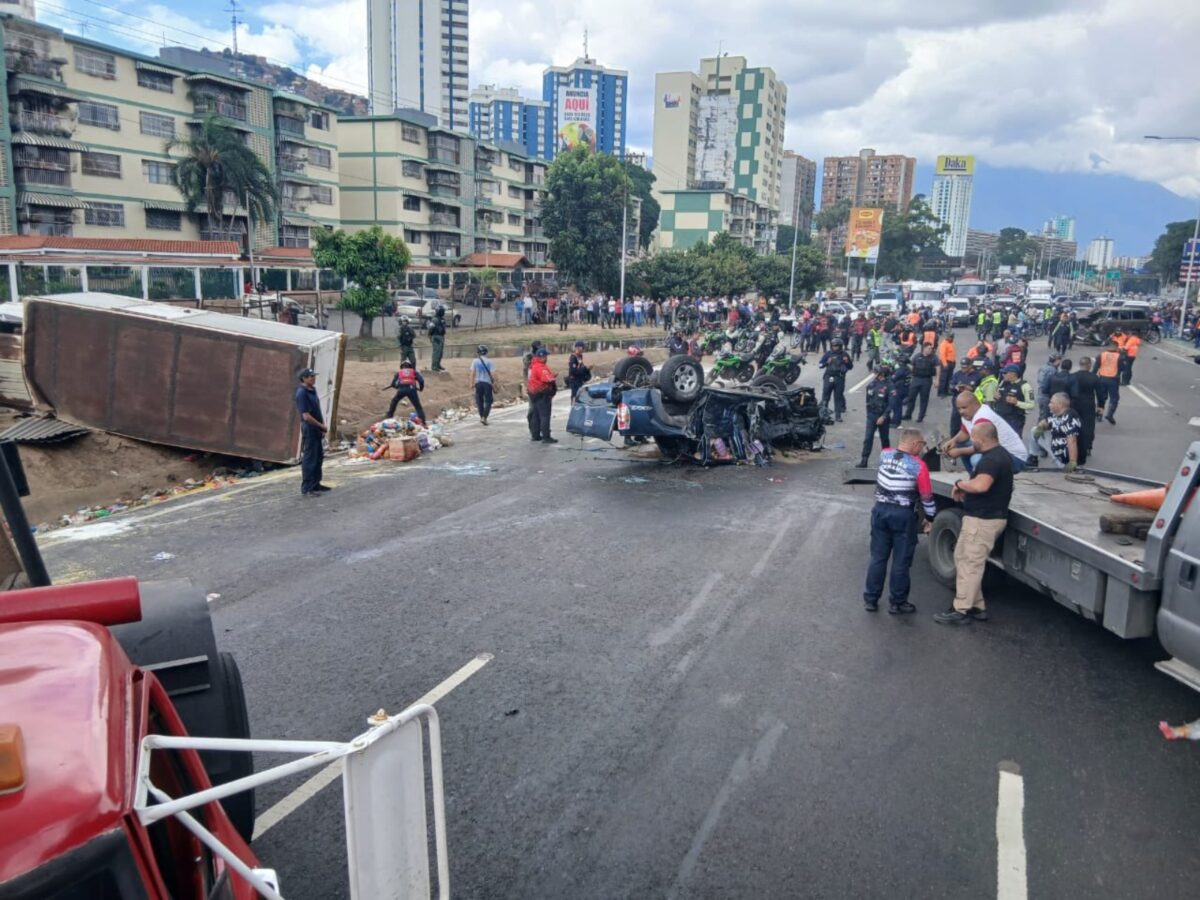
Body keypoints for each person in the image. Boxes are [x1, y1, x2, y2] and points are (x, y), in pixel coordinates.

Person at [934, 421, 1014, 625]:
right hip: (982, 517)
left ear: (981, 439)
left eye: (973, 438)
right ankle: (977, 606)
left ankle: (961, 610)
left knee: (970, 564)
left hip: (983, 520)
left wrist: (960, 484)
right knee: (962, 558)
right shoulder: (998, 454)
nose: (972, 441)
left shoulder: (991, 460)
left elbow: (981, 485)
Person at [862, 428, 936, 614]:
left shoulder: (884, 454)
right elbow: (926, 496)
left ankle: (871, 599)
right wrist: (930, 518)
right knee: (901, 561)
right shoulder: (918, 465)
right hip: (902, 514)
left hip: (880, 510)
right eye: (921, 444)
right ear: (913, 443)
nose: (922, 448)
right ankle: (898, 602)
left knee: (878, 558)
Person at [941, 391, 1028, 475]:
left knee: (977, 459)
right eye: (959, 408)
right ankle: (975, 479)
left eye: (964, 407)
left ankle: (984, 483)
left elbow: (982, 446)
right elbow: (965, 433)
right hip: (999, 453)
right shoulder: (968, 415)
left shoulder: (982, 417)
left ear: (975, 404)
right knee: (961, 444)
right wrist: (953, 441)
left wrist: (959, 452)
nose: (961, 412)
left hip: (1015, 458)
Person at [295, 367, 329, 496]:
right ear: (304, 378)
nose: (313, 378)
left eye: (314, 376)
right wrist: (321, 426)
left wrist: (321, 426)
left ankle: (316, 484)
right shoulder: (301, 393)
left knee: (318, 456)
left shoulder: (312, 390)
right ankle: (307, 488)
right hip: (309, 428)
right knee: (310, 458)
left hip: (316, 428)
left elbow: (317, 410)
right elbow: (306, 416)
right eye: (311, 377)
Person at [1025, 392, 1080, 471]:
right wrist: (1040, 426)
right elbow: (1047, 421)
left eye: (1051, 403)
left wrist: (1072, 461)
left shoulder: (1069, 417)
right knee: (1034, 430)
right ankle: (1034, 457)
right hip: (1055, 446)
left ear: (1060, 405)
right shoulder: (1057, 414)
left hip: (1064, 454)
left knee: (1064, 471)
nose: (1049, 405)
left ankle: (1064, 464)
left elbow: (1072, 440)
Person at [859, 363, 893, 468]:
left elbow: (892, 404)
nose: (874, 374)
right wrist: (869, 415)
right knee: (868, 438)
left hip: (883, 416)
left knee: (884, 439)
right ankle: (864, 460)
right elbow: (867, 401)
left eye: (876, 372)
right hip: (872, 416)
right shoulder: (871, 385)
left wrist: (883, 416)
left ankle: (886, 461)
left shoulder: (890, 386)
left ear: (881, 374)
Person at [1068, 357, 1101, 465]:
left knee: (1073, 424)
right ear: (1089, 365)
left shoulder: (1072, 376)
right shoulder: (1094, 377)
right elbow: (1100, 393)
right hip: (1088, 403)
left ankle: (1073, 444)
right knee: (1088, 425)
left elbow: (1067, 390)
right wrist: (1101, 405)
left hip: (1074, 403)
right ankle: (1087, 447)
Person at [993, 364, 1035, 438]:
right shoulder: (1003, 383)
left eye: (1005, 373)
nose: (1003, 375)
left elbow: (1031, 405)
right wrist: (995, 396)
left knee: (1013, 441)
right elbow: (996, 397)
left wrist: (1017, 403)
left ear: (1013, 374)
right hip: (1000, 417)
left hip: (1014, 419)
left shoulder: (1025, 386)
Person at [818, 338, 854, 423]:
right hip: (828, 377)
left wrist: (847, 361)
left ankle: (838, 416)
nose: (835, 347)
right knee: (825, 397)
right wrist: (827, 362)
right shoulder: (828, 354)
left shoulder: (844, 354)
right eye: (833, 346)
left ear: (840, 346)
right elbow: (820, 365)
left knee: (838, 397)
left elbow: (850, 367)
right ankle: (824, 414)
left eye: (837, 346)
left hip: (839, 378)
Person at [527, 347, 558, 443]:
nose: (547, 358)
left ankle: (535, 435)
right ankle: (546, 436)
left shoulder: (533, 366)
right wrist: (553, 377)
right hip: (542, 394)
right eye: (545, 356)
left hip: (533, 393)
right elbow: (547, 379)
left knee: (535, 415)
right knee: (544, 416)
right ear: (542, 357)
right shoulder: (541, 367)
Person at [903, 343, 938, 422]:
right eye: (928, 348)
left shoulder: (933, 358)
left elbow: (938, 368)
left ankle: (920, 417)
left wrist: (937, 380)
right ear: (924, 348)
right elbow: (912, 365)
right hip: (916, 378)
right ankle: (908, 414)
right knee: (911, 397)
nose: (930, 350)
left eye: (931, 349)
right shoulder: (917, 356)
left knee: (924, 399)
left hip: (926, 380)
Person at [385, 359, 426, 423]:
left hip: (401, 389)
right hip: (412, 389)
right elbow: (421, 380)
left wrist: (397, 387)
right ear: (410, 366)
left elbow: (393, 384)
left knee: (394, 401)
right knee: (418, 406)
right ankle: (423, 421)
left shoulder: (399, 373)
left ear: (401, 366)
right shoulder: (414, 372)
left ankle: (389, 415)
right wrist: (421, 388)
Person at [1095, 336, 1122, 425]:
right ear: (1116, 347)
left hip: (1102, 378)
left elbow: (1095, 368)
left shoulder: (1101, 355)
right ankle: (1110, 414)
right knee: (1114, 398)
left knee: (1102, 397)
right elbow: (1123, 368)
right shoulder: (1119, 356)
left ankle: (1099, 415)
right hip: (1113, 380)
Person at [470, 345, 496, 425]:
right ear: (486, 352)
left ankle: (482, 417)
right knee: (488, 401)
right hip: (487, 384)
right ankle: (484, 417)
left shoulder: (475, 361)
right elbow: (493, 374)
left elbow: (472, 373)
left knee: (479, 401)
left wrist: (471, 383)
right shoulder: (490, 362)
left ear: (478, 352)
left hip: (478, 383)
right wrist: (495, 382)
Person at [1035, 353, 1060, 419]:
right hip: (1046, 396)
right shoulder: (1052, 370)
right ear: (1056, 360)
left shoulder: (1043, 367)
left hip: (1040, 394)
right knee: (1045, 417)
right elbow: (1048, 384)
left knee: (1042, 414)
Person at [937, 331, 957, 397]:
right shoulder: (944, 344)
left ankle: (946, 391)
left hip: (951, 363)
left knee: (949, 378)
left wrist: (954, 362)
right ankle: (941, 392)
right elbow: (942, 355)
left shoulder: (951, 343)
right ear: (947, 337)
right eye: (951, 337)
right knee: (943, 379)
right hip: (945, 363)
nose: (952, 338)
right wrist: (945, 364)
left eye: (952, 337)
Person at [428, 307, 447, 372]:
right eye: (442, 311)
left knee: (440, 352)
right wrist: (430, 336)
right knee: (436, 352)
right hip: (436, 336)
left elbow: (443, 328)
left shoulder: (442, 319)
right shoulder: (434, 319)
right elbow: (430, 328)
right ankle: (434, 367)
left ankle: (438, 365)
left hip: (441, 337)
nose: (443, 312)